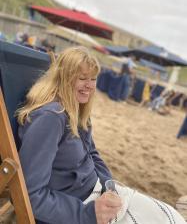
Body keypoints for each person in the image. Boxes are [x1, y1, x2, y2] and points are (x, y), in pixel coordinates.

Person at [16, 46, 186, 224]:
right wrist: (88, 214)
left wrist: (108, 185)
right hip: (80, 209)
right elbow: (30, 194)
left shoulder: (76, 109)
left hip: (99, 193)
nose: (89, 86)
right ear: (64, 78)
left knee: (174, 218)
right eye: (82, 78)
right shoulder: (50, 119)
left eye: (93, 79)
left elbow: (92, 153)